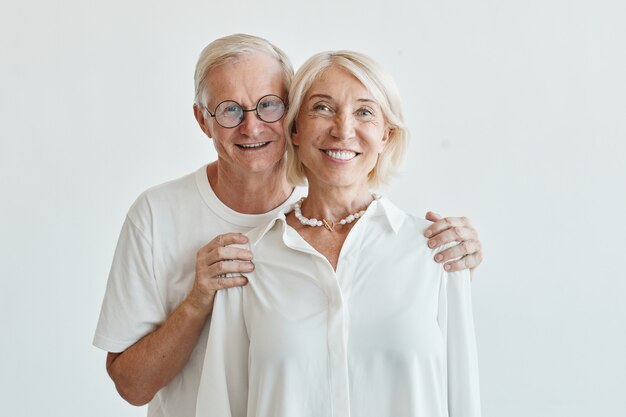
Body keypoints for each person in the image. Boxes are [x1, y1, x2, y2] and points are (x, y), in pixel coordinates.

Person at [93, 34, 483, 417]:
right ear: (202, 120)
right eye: (230, 110)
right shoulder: (194, 233)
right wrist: (197, 300)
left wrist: (458, 258)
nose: (251, 127)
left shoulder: (421, 245)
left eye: (268, 106)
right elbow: (135, 386)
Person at [196, 50, 480, 417]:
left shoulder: (437, 251)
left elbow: (462, 396)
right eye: (323, 108)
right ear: (294, 129)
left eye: (365, 112)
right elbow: (221, 404)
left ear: (386, 135)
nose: (343, 130)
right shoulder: (247, 259)